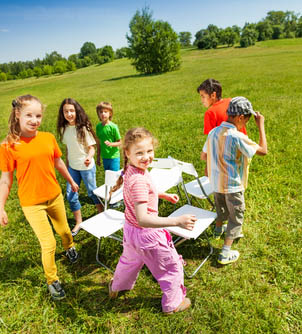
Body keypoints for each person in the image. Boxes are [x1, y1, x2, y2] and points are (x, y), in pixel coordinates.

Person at [0, 94, 79, 301]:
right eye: (29, 115)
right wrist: (1, 207)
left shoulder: (48, 138)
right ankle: (52, 280)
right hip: (31, 204)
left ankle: (69, 247)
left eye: (38, 115)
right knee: (48, 243)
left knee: (64, 231)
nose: (35, 120)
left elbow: (59, 163)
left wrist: (70, 181)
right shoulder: (8, 146)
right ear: (18, 115)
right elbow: (6, 180)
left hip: (54, 197)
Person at [108, 127, 197, 314]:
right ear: (127, 153)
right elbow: (143, 219)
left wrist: (162, 195)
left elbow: (140, 194)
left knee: (129, 261)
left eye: (149, 151)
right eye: (139, 153)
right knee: (171, 267)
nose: (146, 156)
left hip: (131, 233)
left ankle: (116, 287)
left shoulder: (131, 170)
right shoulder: (139, 180)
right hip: (147, 235)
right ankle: (173, 304)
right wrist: (177, 221)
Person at [201, 97, 267, 265]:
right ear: (240, 118)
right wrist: (261, 126)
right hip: (232, 186)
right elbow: (263, 151)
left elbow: (203, 156)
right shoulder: (237, 136)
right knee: (236, 217)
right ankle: (224, 253)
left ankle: (217, 230)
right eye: (247, 119)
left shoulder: (213, 132)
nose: (247, 123)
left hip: (216, 183)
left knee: (221, 208)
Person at [57, 98, 103, 237]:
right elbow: (68, 149)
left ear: (77, 111)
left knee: (92, 193)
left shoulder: (83, 128)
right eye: (66, 111)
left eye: (72, 110)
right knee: (71, 196)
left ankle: (102, 214)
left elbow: (91, 148)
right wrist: (66, 163)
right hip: (72, 168)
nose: (69, 114)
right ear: (62, 113)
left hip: (86, 167)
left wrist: (89, 157)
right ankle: (79, 222)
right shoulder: (64, 129)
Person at [96, 102, 121, 171]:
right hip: (105, 157)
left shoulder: (113, 127)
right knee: (108, 176)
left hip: (114, 157)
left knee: (114, 177)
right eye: (101, 112)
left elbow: (120, 142)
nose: (103, 114)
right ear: (98, 114)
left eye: (105, 112)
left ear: (110, 113)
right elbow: (98, 143)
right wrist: (98, 157)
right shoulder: (98, 127)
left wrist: (111, 144)